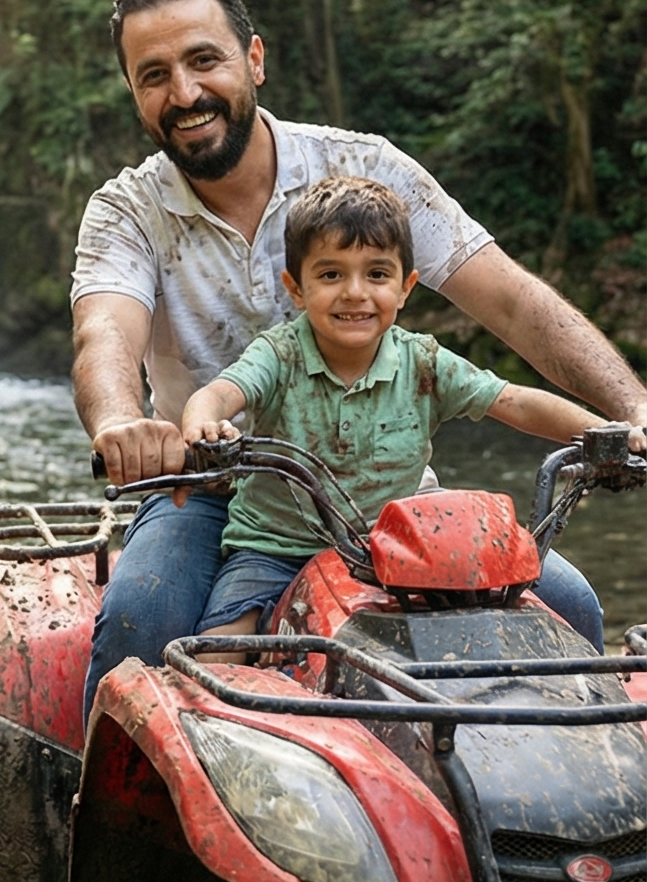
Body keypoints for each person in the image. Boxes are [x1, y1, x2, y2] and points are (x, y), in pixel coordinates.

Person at [75, 0, 645, 713]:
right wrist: (122, 423)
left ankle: (556, 826)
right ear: (134, 92)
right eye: (154, 75)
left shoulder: (364, 169)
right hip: (214, 492)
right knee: (140, 619)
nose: (183, 94)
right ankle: (105, 826)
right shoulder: (126, 211)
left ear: (254, 58)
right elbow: (105, 334)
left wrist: (633, 414)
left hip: (389, 493)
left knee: (569, 606)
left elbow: (510, 301)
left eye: (203, 60)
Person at [176, 177, 632, 645]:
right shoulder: (279, 354)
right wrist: (203, 428)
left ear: (405, 287)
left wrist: (608, 434)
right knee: (222, 646)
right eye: (331, 275)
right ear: (296, 288)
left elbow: (513, 401)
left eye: (376, 275)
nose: (355, 292)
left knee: (573, 602)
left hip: (404, 544)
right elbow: (220, 393)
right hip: (276, 548)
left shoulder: (424, 362)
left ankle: (582, 711)